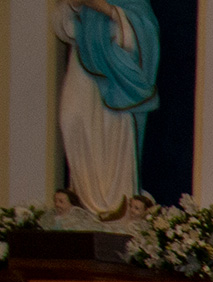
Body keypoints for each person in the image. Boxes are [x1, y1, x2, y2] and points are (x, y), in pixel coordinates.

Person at [51, 0, 161, 218]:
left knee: (111, 131)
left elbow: (145, 34)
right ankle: (81, 200)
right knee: (71, 118)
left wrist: (106, 9)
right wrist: (74, 5)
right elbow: (64, 29)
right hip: (82, 65)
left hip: (115, 76)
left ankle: (114, 207)